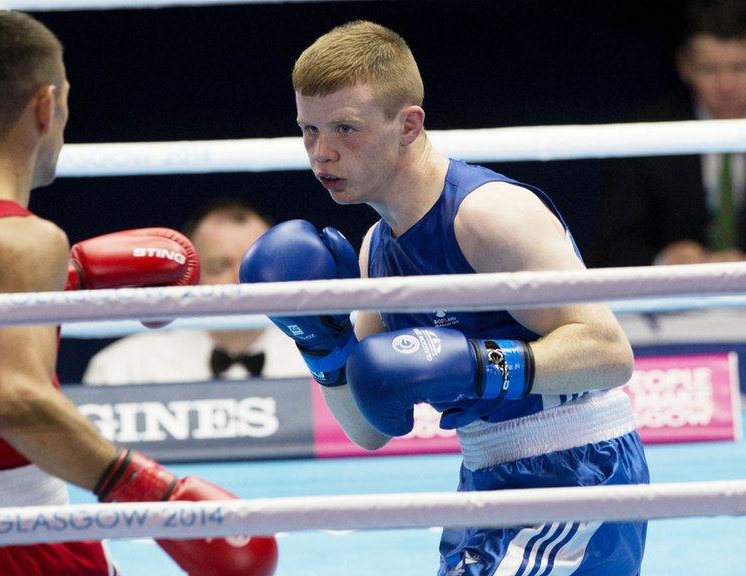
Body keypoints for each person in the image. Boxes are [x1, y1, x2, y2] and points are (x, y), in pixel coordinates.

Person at [0, 10, 276, 576]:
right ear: (47, 106)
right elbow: (18, 404)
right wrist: (153, 491)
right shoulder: (25, 242)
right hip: (11, 546)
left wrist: (65, 283)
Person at [240, 21, 648, 575]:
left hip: (575, 471)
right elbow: (369, 430)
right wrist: (322, 345)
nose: (322, 153)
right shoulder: (374, 252)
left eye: (345, 129)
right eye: (308, 130)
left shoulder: (486, 214)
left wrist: (479, 366)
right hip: (484, 476)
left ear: (408, 124)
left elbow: (608, 353)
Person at [83, 199, 310, 385]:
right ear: (192, 277)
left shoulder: (319, 360)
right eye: (219, 266)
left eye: (252, 265)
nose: (238, 280)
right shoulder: (125, 366)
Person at [593, 0, 746, 267]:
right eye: (710, 69)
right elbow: (615, 245)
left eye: (740, 67)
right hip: (673, 300)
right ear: (685, 66)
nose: (726, 85)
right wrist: (663, 260)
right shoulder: (646, 133)